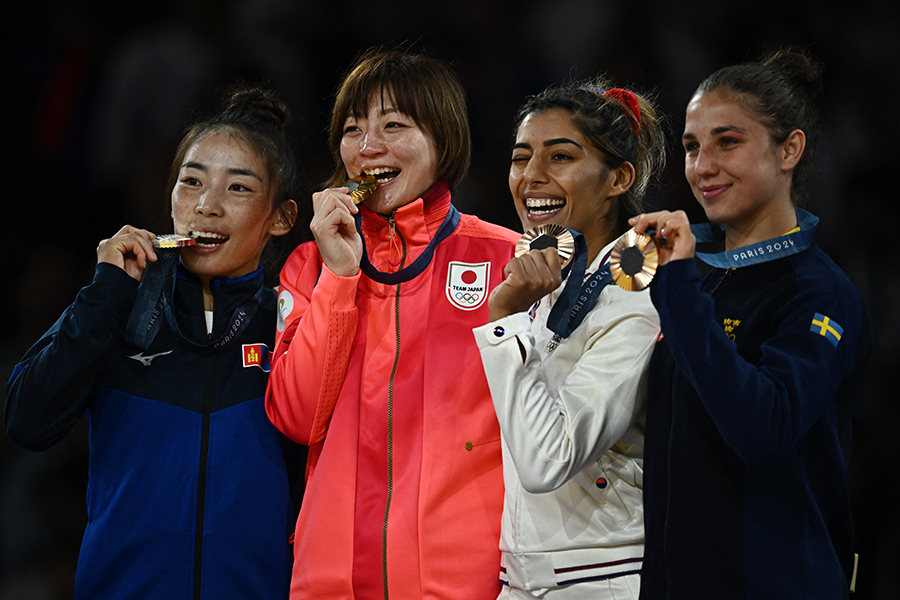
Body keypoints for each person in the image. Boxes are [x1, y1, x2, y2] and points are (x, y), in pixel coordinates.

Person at [5, 87, 301, 599]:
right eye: (191, 182)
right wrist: (102, 296)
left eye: (238, 189)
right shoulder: (116, 304)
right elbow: (26, 422)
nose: (206, 207)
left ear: (281, 218)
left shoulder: (299, 325)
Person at [264, 48, 519, 599]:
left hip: (466, 585)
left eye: (394, 126)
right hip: (330, 584)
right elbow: (297, 418)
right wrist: (339, 277)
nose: (368, 147)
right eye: (353, 130)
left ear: (442, 139)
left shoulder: (506, 261)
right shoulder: (310, 266)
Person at [630, 49, 873, 599]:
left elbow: (763, 429)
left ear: (789, 150)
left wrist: (676, 284)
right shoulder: (699, 276)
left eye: (728, 141)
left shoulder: (818, 293)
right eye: (693, 146)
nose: (702, 165)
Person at [473, 80, 667, 599]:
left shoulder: (635, 298)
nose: (531, 177)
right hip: (520, 577)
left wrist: (503, 319)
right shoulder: (546, 284)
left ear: (618, 179)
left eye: (560, 157)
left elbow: (547, 462)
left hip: (596, 577)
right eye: (521, 158)